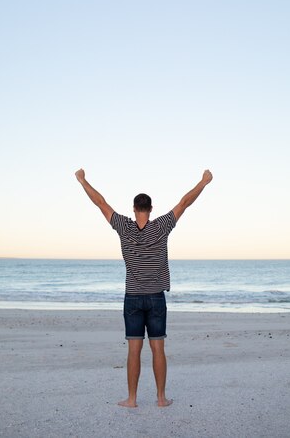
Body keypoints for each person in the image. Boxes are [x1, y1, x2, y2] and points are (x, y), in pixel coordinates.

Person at [75, 168, 213, 408]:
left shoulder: (123, 227)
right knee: (158, 349)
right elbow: (184, 203)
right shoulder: (161, 227)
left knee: (134, 350)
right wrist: (204, 182)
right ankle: (161, 399)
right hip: (156, 299)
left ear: (134, 209)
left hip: (133, 299)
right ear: (151, 209)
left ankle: (132, 399)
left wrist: (82, 180)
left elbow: (100, 202)